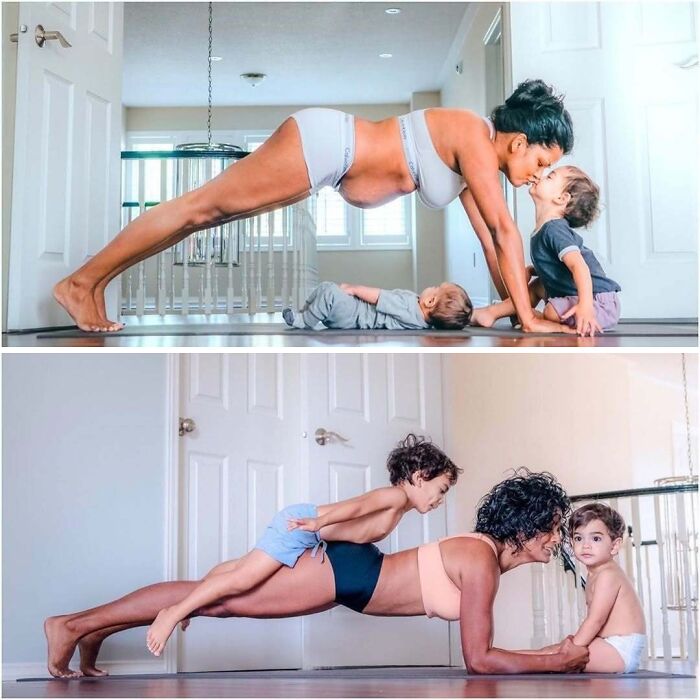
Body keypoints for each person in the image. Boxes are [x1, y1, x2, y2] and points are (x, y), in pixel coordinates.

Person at [53, 79, 575, 334]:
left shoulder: (471, 165)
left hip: (329, 154)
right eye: (542, 160)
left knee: (204, 214)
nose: (538, 175)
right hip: (329, 143)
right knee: (200, 207)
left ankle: (92, 285)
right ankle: (81, 282)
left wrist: (515, 311)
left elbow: (490, 241)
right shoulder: (474, 137)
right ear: (520, 140)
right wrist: (530, 321)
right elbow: (508, 232)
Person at [44, 470, 590, 678]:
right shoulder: (479, 561)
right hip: (344, 575)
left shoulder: (486, 558)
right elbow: (481, 660)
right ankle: (72, 626)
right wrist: (558, 657)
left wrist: (551, 657)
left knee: (213, 597)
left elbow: (485, 653)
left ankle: (90, 632)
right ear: (525, 525)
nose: (556, 539)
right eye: (553, 527)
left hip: (348, 579)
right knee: (213, 600)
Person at [145, 434, 461, 656]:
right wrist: (318, 522)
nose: (439, 500)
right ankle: (173, 614)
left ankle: (187, 602)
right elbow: (357, 507)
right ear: (420, 477)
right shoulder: (394, 497)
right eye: (441, 489)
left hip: (307, 529)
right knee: (242, 580)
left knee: (238, 569)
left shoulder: (400, 505)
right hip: (303, 527)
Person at [471, 166, 621, 336]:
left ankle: (540, 318)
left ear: (561, 198)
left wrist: (585, 307)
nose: (541, 176)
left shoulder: (554, 230)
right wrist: (533, 270)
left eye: (550, 177)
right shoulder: (544, 230)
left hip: (599, 302)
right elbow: (556, 265)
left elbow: (580, 267)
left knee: (551, 311)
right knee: (537, 287)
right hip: (577, 294)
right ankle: (491, 313)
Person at [529, 504, 646, 673]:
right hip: (608, 643)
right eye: (578, 538)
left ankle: (503, 663)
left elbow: (596, 620)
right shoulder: (595, 574)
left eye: (596, 539)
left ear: (614, 546)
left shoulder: (608, 575)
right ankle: (502, 658)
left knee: (557, 657)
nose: (586, 545)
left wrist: (573, 649)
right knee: (551, 650)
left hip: (620, 649)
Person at [282, 281, 472, 331]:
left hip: (354, 314)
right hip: (354, 316)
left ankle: (304, 321)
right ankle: (305, 312)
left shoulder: (408, 306)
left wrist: (354, 289)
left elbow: (378, 296)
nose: (432, 287)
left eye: (436, 289)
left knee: (329, 291)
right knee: (325, 287)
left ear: (430, 302)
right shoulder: (421, 321)